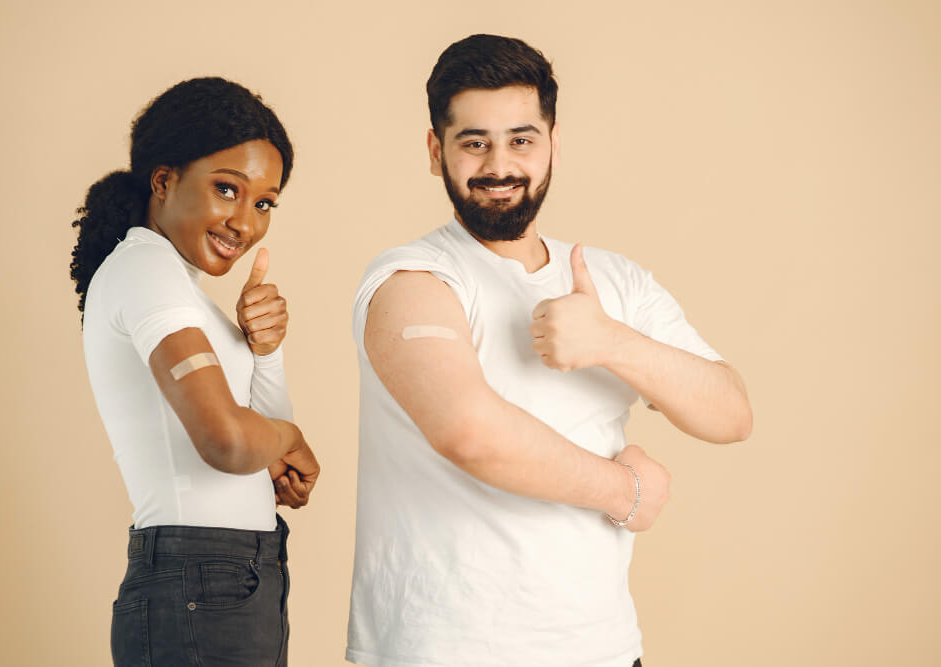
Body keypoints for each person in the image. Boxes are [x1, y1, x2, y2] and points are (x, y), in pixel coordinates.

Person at [346, 35, 752, 667]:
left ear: (553, 144)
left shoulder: (613, 279)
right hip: (444, 650)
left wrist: (612, 341)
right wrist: (627, 493)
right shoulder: (412, 281)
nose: (499, 164)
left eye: (522, 139)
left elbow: (730, 414)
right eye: (474, 141)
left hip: (604, 648)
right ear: (436, 151)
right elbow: (469, 433)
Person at [70, 77, 319, 666]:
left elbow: (261, 457)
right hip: (199, 582)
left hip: (231, 577)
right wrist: (290, 439)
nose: (245, 222)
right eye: (227, 189)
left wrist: (264, 348)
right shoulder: (148, 274)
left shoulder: (180, 291)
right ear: (164, 181)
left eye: (263, 203)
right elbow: (230, 441)